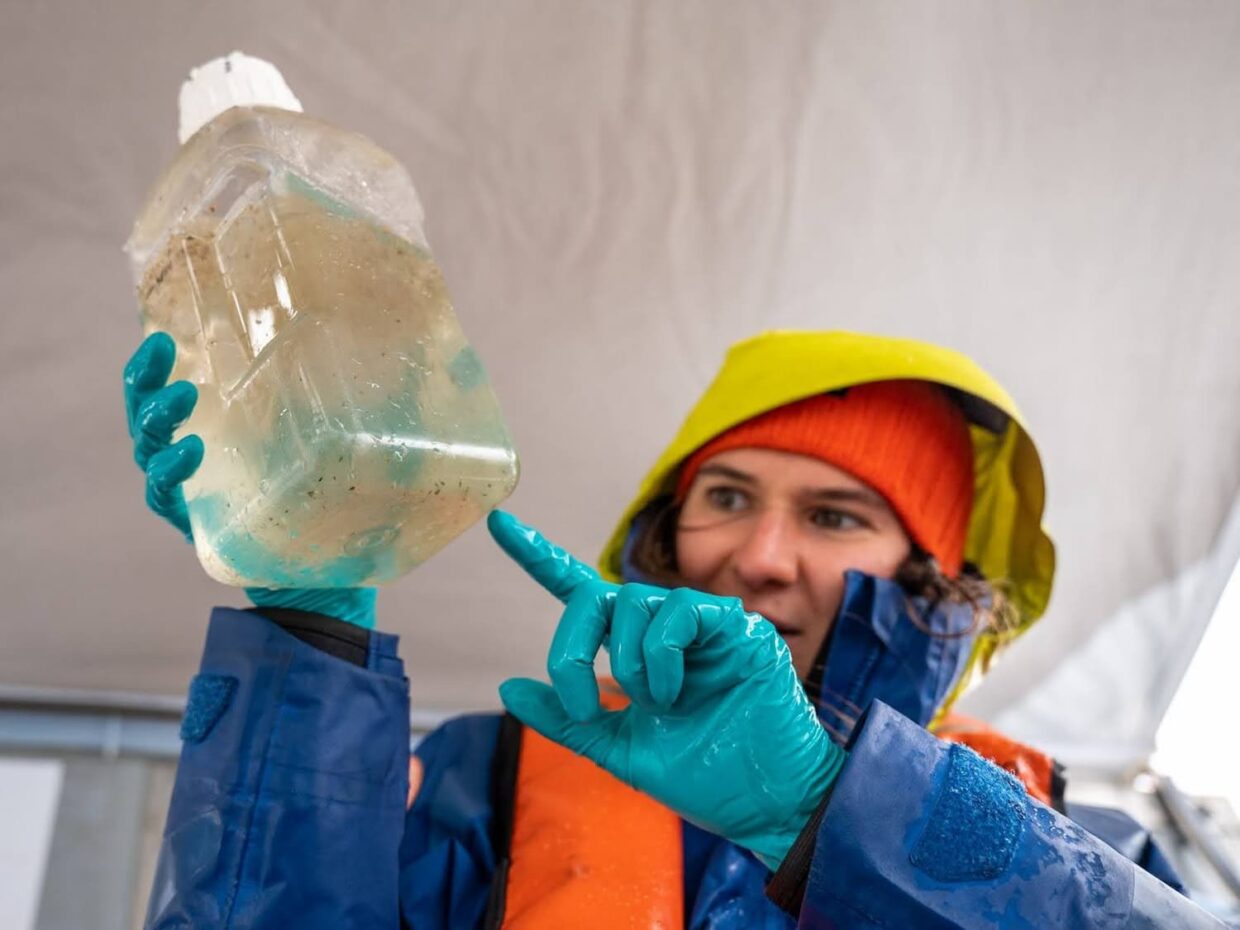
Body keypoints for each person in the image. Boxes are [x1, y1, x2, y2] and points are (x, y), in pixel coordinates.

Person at [125, 329, 1223, 928]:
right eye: (727, 497)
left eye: (836, 516)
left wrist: (825, 814)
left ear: (933, 581)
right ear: (667, 535)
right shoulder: (483, 776)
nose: (761, 555)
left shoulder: (1084, 846)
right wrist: (308, 630)